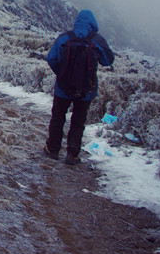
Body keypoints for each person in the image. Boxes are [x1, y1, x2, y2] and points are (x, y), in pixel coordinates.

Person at [44, 9, 114, 165]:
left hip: (63, 88)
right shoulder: (96, 40)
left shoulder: (64, 38)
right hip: (86, 90)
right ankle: (72, 154)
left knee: (58, 118)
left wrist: (61, 74)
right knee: (78, 121)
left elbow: (51, 58)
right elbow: (108, 60)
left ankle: (52, 149)